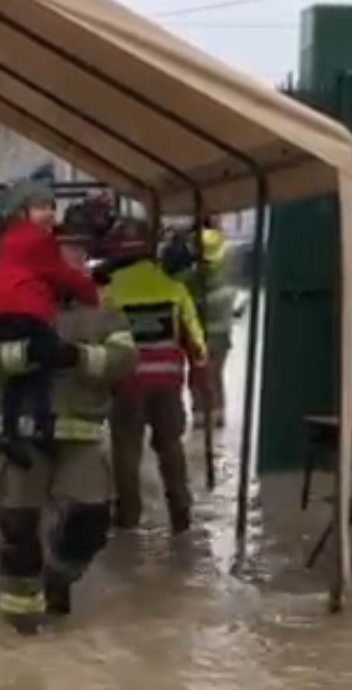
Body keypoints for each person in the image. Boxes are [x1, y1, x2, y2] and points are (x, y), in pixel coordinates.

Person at [0, 223, 137, 634]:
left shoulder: (103, 306)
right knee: (19, 525)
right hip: (21, 432)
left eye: (81, 251)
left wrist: (74, 356)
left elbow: (124, 360)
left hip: (79, 430)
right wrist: (26, 354)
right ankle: (22, 625)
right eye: (64, 251)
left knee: (92, 516)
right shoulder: (0, 300)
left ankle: (57, 579)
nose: (74, 259)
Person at [0, 174, 100, 469]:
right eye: (42, 207)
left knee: (21, 370)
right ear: (22, 212)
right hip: (20, 309)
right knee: (48, 355)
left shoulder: (7, 238)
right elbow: (60, 273)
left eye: (52, 207)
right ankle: (44, 426)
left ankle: (10, 430)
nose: (50, 214)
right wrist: (91, 293)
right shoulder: (37, 240)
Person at [102, 217, 208, 534]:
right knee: (171, 445)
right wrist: (199, 379)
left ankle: (128, 516)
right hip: (167, 383)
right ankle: (181, 513)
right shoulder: (174, 289)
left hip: (127, 383)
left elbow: (97, 341)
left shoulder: (109, 292)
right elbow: (196, 341)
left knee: (126, 449)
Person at [173, 220, 236, 428]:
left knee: (199, 375)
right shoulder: (227, 259)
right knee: (215, 374)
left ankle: (202, 414)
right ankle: (218, 414)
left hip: (199, 331)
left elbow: (177, 283)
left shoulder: (194, 277)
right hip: (222, 328)